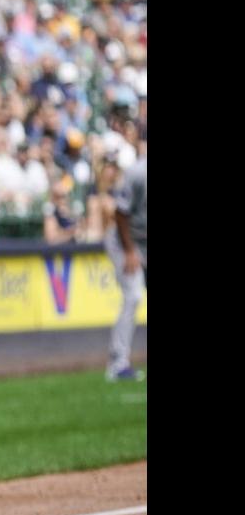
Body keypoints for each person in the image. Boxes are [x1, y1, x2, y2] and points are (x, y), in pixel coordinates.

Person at [105, 157, 146, 381]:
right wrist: (130, 251)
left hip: (144, 241)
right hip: (124, 241)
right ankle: (118, 363)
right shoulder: (139, 173)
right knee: (133, 296)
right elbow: (120, 213)